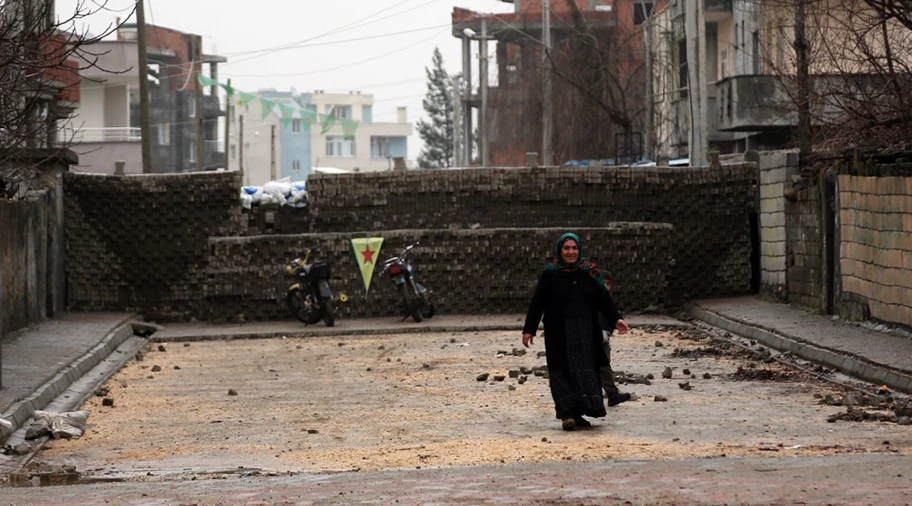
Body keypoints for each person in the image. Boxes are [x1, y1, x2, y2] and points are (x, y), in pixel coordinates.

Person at [522, 233, 629, 431]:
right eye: (567, 248)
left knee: (584, 371)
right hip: (558, 332)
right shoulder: (551, 273)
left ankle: (579, 413)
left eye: (574, 248)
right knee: (561, 371)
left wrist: (616, 319)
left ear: (579, 250)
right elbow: (538, 302)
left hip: (585, 332)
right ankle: (566, 414)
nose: (571, 252)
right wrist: (529, 329)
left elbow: (603, 299)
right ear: (560, 251)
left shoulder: (590, 273)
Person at [598, 274, 632, 407]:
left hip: (603, 339)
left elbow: (612, 317)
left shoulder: (607, 301)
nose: (605, 287)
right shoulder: (590, 300)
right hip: (591, 339)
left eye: (608, 284)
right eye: (603, 283)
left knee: (604, 367)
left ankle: (611, 394)